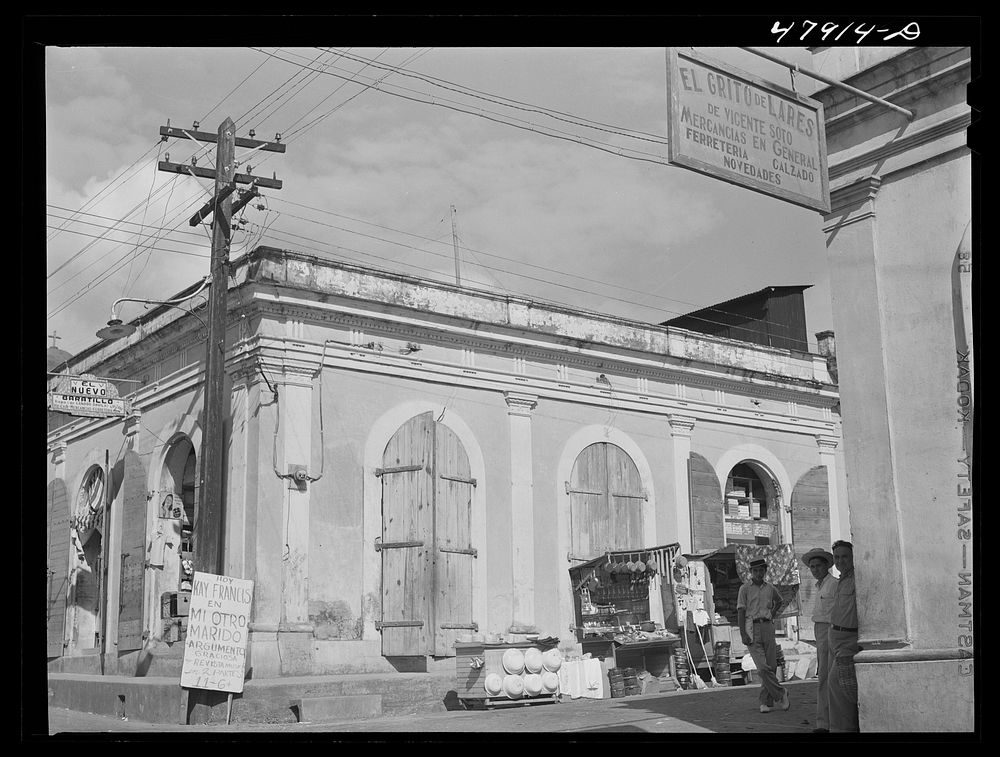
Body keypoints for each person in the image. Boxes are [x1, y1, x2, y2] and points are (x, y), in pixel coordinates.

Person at [738, 557, 789, 713]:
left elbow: (779, 601)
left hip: (768, 626)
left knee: (771, 666)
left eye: (761, 570)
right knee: (762, 667)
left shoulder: (770, 588)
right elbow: (741, 610)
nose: (758, 573)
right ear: (750, 572)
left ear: (765, 571)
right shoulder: (744, 589)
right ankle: (781, 693)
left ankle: (764, 702)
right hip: (751, 628)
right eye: (755, 571)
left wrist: (772, 613)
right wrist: (742, 633)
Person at [802, 547, 837, 733]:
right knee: (824, 675)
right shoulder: (820, 586)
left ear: (826, 566)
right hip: (820, 631)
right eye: (812, 567)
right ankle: (826, 721)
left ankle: (826, 723)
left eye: (818, 566)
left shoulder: (833, 584)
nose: (815, 569)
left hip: (830, 630)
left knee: (827, 676)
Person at [828, 540, 860, 732]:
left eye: (844, 556)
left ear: (853, 557)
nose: (840, 560)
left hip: (849, 640)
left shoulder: (857, 579)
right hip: (836, 638)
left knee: (837, 686)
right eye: (837, 557)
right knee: (838, 689)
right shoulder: (842, 580)